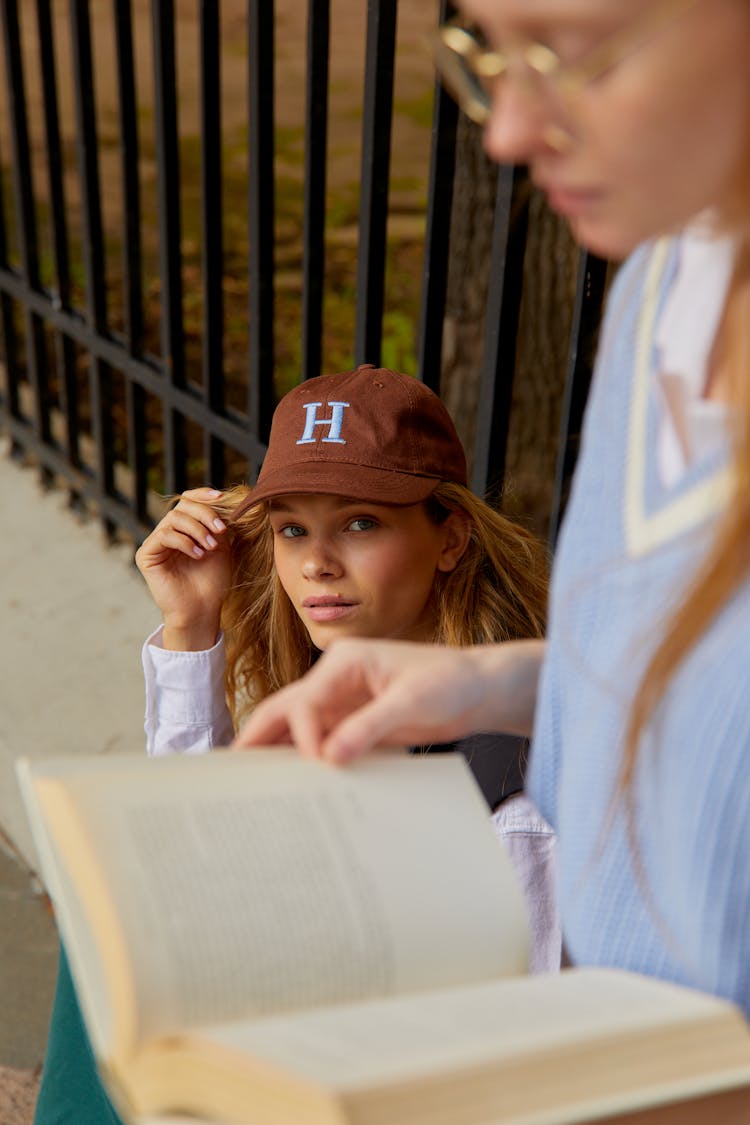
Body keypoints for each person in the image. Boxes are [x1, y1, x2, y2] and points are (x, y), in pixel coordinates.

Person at [236, 0, 750, 1024]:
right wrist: (502, 681)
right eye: (487, 53)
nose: (508, 129)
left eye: (569, 51)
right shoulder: (660, 279)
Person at [35, 364, 556, 1124]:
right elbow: (193, 866)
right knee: (114, 932)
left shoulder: (510, 788)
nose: (316, 562)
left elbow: (531, 1058)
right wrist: (191, 627)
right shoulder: (323, 700)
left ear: (451, 539)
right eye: (292, 528)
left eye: (360, 522)